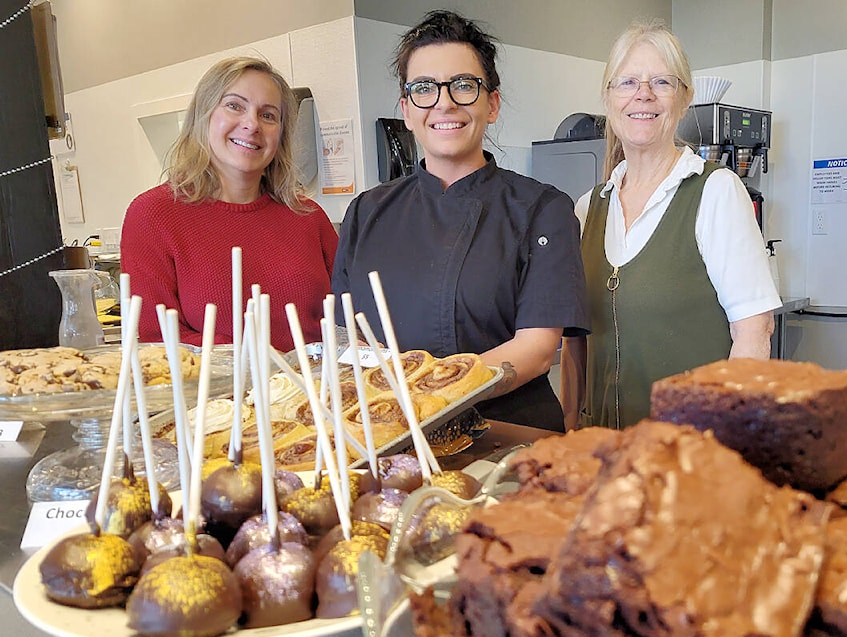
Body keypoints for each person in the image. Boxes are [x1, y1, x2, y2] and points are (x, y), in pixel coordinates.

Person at [332, 10, 588, 431]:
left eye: (464, 86)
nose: (444, 102)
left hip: (508, 434)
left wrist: (428, 396)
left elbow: (537, 348)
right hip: (387, 432)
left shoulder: (543, 209)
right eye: (424, 89)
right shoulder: (365, 211)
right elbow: (350, 338)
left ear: (492, 104)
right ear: (407, 110)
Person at [560, 21, 781, 431]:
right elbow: (576, 344)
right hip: (602, 450)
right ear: (608, 98)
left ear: (685, 99)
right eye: (627, 82)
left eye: (661, 81)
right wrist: (569, 431)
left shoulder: (715, 191)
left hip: (687, 452)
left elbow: (754, 334)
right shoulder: (587, 208)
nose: (643, 94)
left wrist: (719, 446)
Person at [121, 56, 338, 352]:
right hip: (218, 396)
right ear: (204, 116)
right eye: (234, 106)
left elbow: (349, 316)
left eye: (269, 115)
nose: (251, 124)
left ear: (281, 135)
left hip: (316, 393)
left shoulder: (309, 217)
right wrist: (262, 363)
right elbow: (157, 336)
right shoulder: (153, 215)